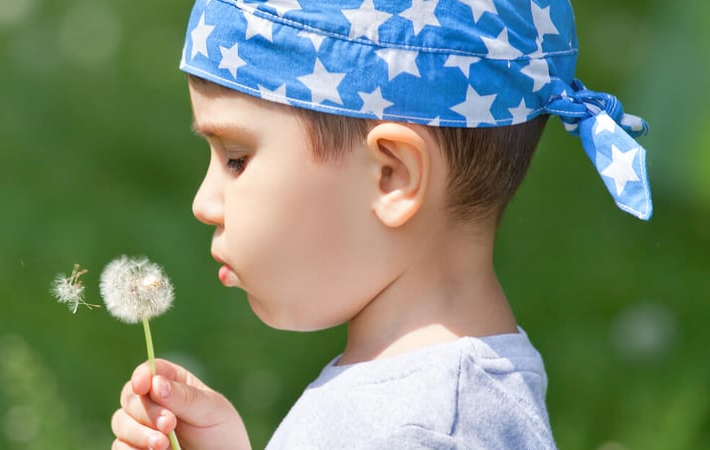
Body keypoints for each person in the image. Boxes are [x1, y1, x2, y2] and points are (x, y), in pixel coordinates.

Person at [111, 0, 652, 448]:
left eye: (235, 157)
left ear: (391, 175)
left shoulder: (423, 430)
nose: (204, 202)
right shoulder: (419, 402)